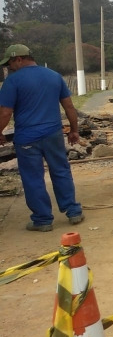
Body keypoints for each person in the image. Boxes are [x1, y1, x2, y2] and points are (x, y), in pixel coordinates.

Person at [0, 44, 84, 232]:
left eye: (10, 64)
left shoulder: (12, 82)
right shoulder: (54, 76)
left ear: (19, 59)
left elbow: (5, 112)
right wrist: (74, 130)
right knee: (61, 170)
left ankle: (43, 220)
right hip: (53, 134)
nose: (9, 68)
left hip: (27, 137)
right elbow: (69, 107)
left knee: (33, 178)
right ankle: (73, 211)